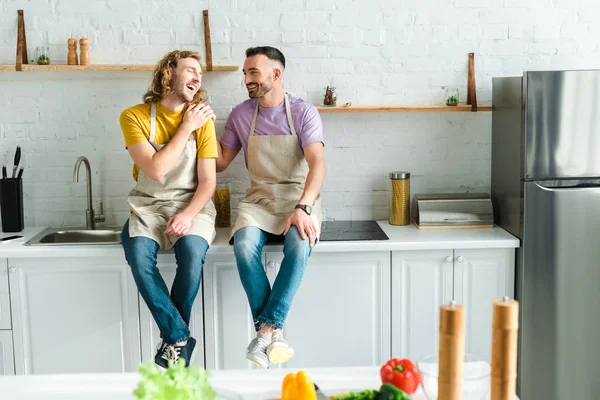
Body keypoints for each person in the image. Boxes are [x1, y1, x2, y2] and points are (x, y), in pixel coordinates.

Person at [216, 46, 326, 369]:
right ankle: (274, 333)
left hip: (298, 197)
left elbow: (318, 164)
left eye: (253, 72)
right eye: (245, 73)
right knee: (244, 245)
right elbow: (221, 162)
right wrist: (194, 128)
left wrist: (304, 207)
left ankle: (264, 331)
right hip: (258, 199)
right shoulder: (240, 115)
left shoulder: (303, 112)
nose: (246, 79)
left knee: (299, 243)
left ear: (275, 75)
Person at [119, 50, 218, 369]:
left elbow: (207, 183)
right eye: (190, 70)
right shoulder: (133, 116)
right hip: (148, 207)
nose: (197, 77)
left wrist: (188, 215)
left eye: (199, 74)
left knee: (191, 255)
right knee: (138, 256)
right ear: (168, 73)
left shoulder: (204, 121)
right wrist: (186, 127)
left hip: (193, 206)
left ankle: (172, 342)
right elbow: (157, 170)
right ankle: (178, 336)